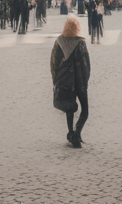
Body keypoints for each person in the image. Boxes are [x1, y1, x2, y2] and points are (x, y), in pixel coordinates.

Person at [51, 16, 91, 148]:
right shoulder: (80, 43)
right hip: (79, 81)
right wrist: (86, 80)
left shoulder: (59, 42)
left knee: (70, 108)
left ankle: (70, 132)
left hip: (65, 81)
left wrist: (55, 81)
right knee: (85, 110)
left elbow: (53, 63)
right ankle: (77, 131)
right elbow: (86, 64)